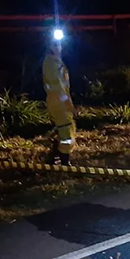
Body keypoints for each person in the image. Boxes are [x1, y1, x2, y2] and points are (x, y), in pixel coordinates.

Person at [42, 32, 76, 165]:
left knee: (64, 129)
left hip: (60, 102)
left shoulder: (56, 61)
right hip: (58, 102)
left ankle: (54, 157)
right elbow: (56, 86)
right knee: (66, 132)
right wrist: (66, 102)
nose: (59, 47)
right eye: (55, 45)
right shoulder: (51, 63)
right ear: (49, 46)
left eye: (59, 44)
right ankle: (64, 161)